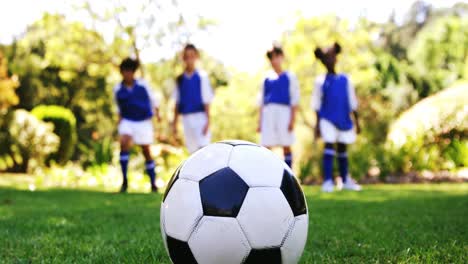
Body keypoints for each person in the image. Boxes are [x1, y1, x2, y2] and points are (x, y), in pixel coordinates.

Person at [311, 43, 362, 192]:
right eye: (327, 58)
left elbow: (352, 102)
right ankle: (327, 181)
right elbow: (317, 104)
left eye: (332, 57)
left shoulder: (346, 80)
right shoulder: (320, 81)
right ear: (323, 61)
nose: (330, 60)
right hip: (327, 118)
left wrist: (357, 122)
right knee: (329, 145)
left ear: (336, 59)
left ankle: (345, 180)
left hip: (343, 118)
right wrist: (317, 125)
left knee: (342, 147)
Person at [114, 57, 160, 193]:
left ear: (133, 72)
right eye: (125, 71)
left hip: (143, 120)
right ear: (121, 72)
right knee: (124, 142)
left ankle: (153, 183)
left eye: (130, 71)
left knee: (146, 150)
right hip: (127, 120)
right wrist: (119, 120)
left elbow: (153, 100)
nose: (127, 74)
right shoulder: (118, 89)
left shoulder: (143, 85)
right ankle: (124, 181)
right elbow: (118, 106)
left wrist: (158, 114)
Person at [258, 45, 300, 168]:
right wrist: (260, 122)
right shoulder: (266, 78)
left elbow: (294, 100)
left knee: (286, 144)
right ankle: (265, 175)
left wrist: (292, 119)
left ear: (281, 57)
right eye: (271, 58)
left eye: (276, 57)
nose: (274, 60)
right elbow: (261, 101)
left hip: (284, 113)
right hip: (268, 114)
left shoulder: (290, 76)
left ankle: (289, 175)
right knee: (266, 146)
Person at [172, 44, 214, 153]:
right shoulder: (180, 79)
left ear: (196, 57)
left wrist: (208, 121)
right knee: (193, 153)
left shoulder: (202, 76)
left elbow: (207, 100)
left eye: (192, 55)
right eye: (186, 56)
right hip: (186, 119)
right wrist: (174, 124)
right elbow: (177, 103)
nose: (189, 59)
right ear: (183, 58)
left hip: (200, 117)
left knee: (204, 149)